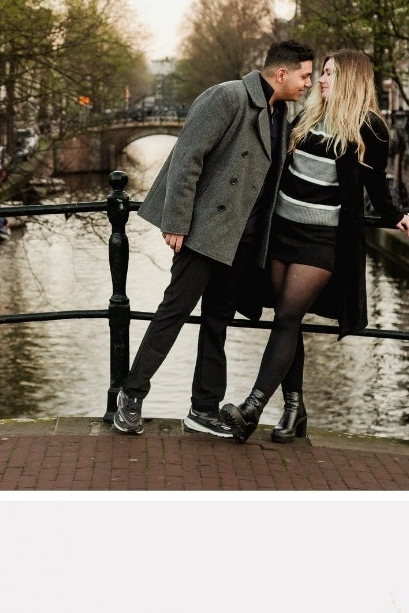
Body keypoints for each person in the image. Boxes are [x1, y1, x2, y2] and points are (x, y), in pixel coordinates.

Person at [114, 42, 315, 439]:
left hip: (242, 239)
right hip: (203, 232)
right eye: (305, 76)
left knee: (217, 323)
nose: (307, 84)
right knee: (172, 314)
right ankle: (130, 396)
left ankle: (202, 410)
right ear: (281, 74)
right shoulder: (228, 97)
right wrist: (177, 222)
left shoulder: (281, 112)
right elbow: (187, 156)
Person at [222, 50, 409, 444]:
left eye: (330, 73)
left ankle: (252, 407)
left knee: (287, 317)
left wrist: (395, 214)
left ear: (350, 79)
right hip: (283, 230)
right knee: (287, 320)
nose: (321, 80)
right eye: (322, 73)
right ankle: (294, 408)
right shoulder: (306, 117)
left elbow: (376, 182)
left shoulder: (371, 128)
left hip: (322, 239)